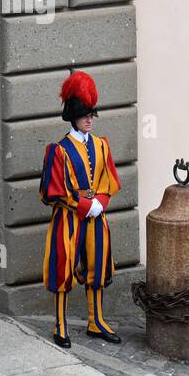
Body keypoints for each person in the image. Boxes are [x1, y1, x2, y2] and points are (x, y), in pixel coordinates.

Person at [40, 71, 122, 348]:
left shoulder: (101, 145)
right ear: (74, 115)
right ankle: (60, 324)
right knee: (63, 268)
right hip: (69, 218)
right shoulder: (59, 150)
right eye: (85, 114)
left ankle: (95, 320)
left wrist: (100, 202)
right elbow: (53, 191)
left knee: (97, 266)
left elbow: (109, 180)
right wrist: (85, 205)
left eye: (92, 114)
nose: (90, 118)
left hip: (96, 218)